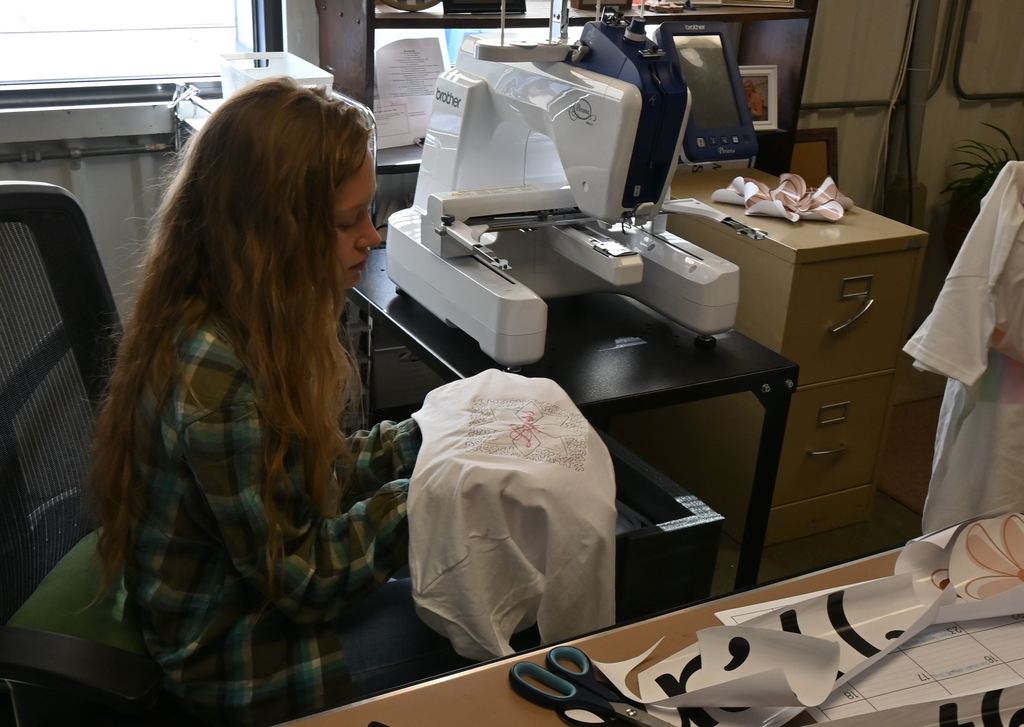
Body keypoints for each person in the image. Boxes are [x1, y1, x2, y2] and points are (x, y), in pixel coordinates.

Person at [90, 77, 471, 726]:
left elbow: (301, 470)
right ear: (274, 236)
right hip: (229, 656)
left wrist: (429, 432)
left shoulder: (239, 320)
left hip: (249, 595)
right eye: (349, 221)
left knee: (449, 583)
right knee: (473, 632)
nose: (372, 238)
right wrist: (429, 490)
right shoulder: (216, 384)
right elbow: (305, 580)